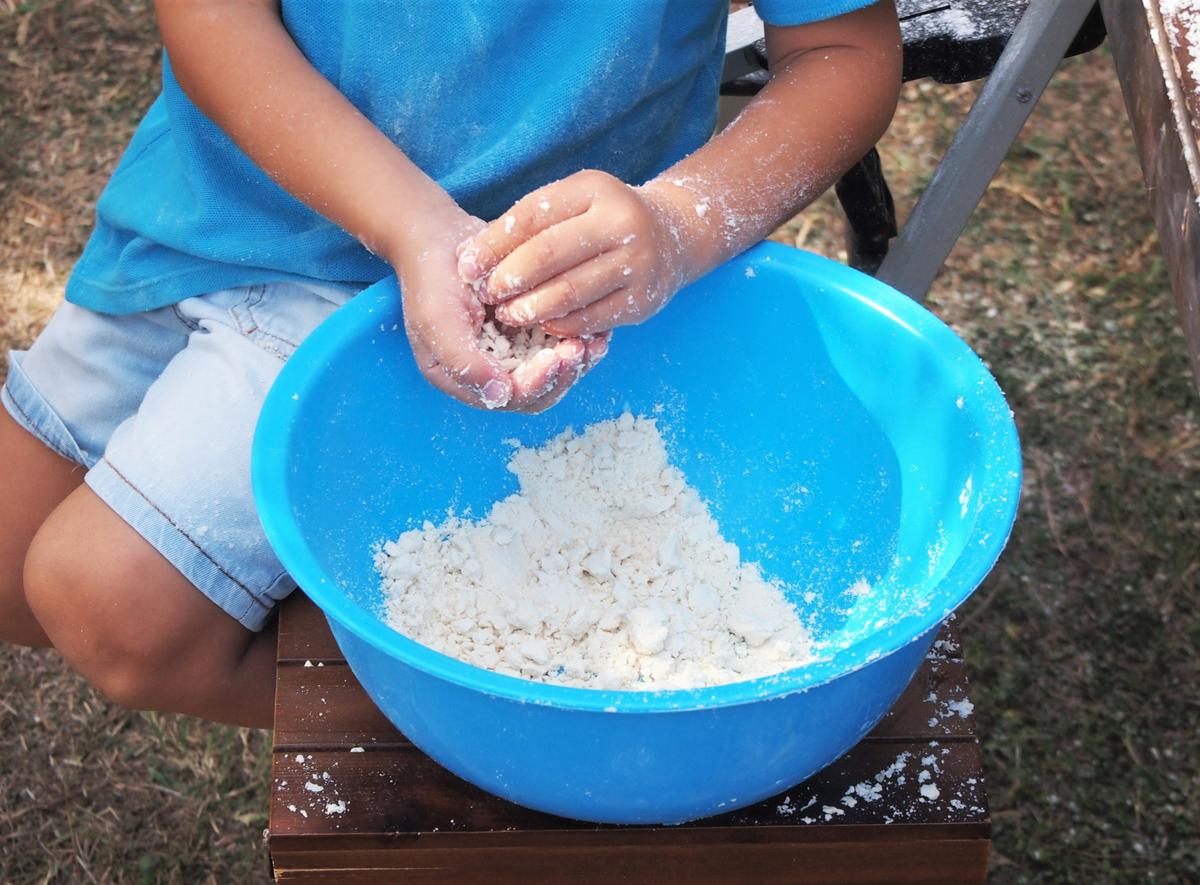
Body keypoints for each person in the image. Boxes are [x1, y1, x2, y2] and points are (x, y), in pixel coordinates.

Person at [0, 0, 901, 728]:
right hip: (221, 193)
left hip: (454, 282)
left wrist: (680, 224)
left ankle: (504, 727)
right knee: (12, 581)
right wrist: (406, 220)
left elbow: (843, 51)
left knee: (109, 610)